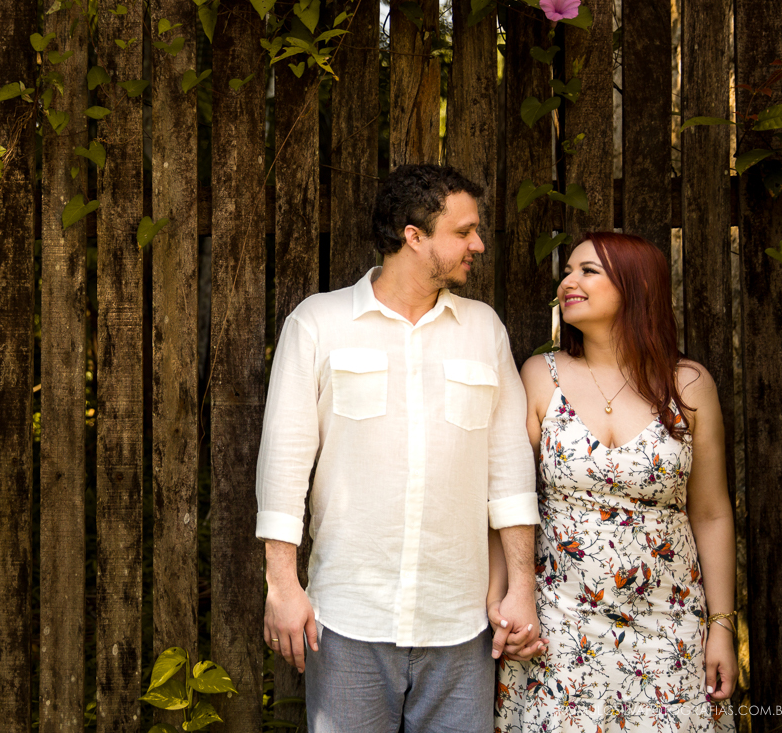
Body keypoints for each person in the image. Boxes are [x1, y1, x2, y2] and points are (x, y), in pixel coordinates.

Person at [256, 163, 542, 733]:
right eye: (463, 232)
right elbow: (284, 465)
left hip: (462, 625)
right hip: (346, 621)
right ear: (414, 236)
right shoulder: (318, 323)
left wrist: (522, 589)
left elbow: (509, 472)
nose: (477, 244)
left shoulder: (484, 330)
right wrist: (282, 586)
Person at [491, 232, 737, 732]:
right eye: (567, 271)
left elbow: (710, 512)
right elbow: (509, 496)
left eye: (588, 271)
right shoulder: (541, 375)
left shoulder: (688, 385)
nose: (569, 282)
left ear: (635, 286)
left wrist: (722, 626)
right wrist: (499, 604)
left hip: (669, 624)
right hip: (561, 623)